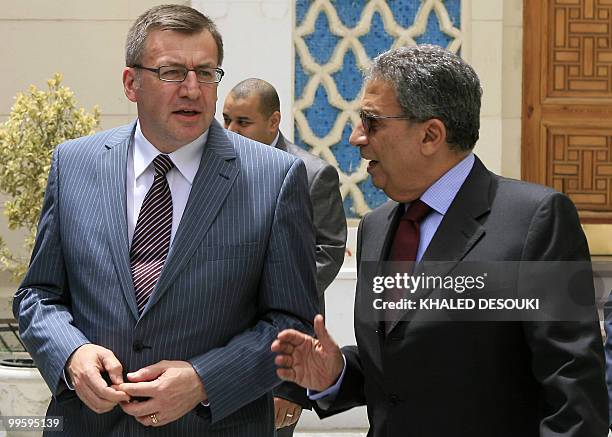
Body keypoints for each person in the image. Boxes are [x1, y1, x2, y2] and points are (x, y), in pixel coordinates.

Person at [271, 44, 608, 437]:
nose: (355, 138)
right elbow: (405, 364)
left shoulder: (536, 221)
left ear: (431, 134)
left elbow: (575, 403)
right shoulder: (376, 228)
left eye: (372, 122)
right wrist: (338, 373)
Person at [13, 5, 318, 436]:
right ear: (131, 83)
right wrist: (71, 355)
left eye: (206, 73)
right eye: (172, 72)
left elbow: (294, 324)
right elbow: (38, 296)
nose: (192, 89)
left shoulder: (275, 177)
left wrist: (204, 380)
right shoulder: (73, 164)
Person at [223, 79, 347, 433]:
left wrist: (291, 388)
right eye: (226, 119)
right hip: (218, 347)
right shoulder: (210, 167)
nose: (231, 130)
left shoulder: (312, 174)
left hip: (281, 347)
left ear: (274, 122)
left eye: (242, 122)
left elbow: (329, 251)